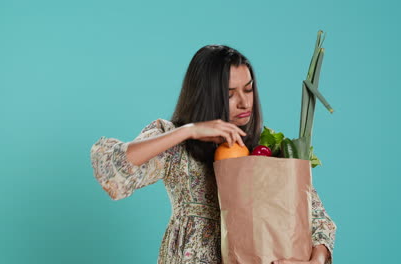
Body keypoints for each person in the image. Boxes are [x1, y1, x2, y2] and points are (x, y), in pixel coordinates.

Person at [90, 45, 337, 264]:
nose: (244, 102)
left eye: (248, 90)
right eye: (229, 94)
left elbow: (316, 217)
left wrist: (316, 260)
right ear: (205, 96)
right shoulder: (175, 142)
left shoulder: (264, 148)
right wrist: (189, 130)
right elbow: (114, 169)